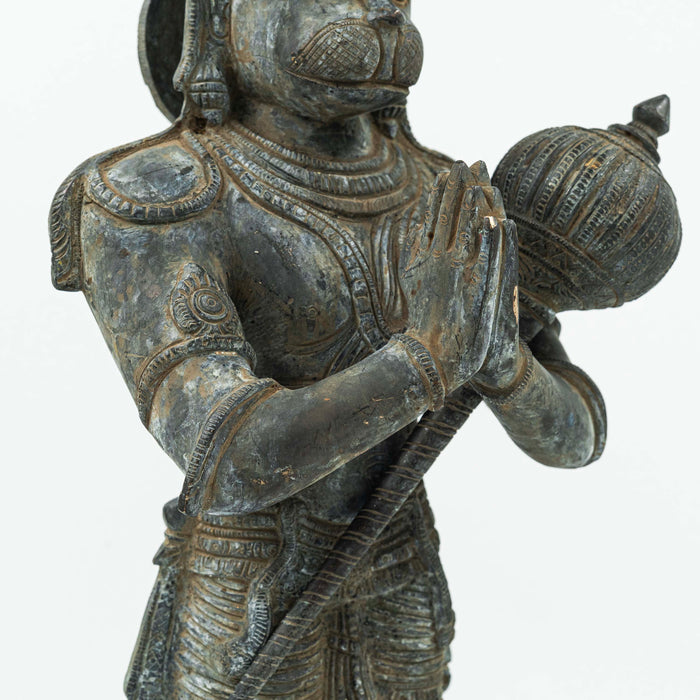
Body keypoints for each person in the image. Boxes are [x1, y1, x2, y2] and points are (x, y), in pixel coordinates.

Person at [50, 1, 605, 697]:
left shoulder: (441, 194)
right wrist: (425, 361)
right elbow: (227, 461)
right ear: (219, 17)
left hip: (398, 559)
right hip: (245, 581)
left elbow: (577, 437)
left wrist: (504, 364)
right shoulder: (160, 196)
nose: (381, 11)